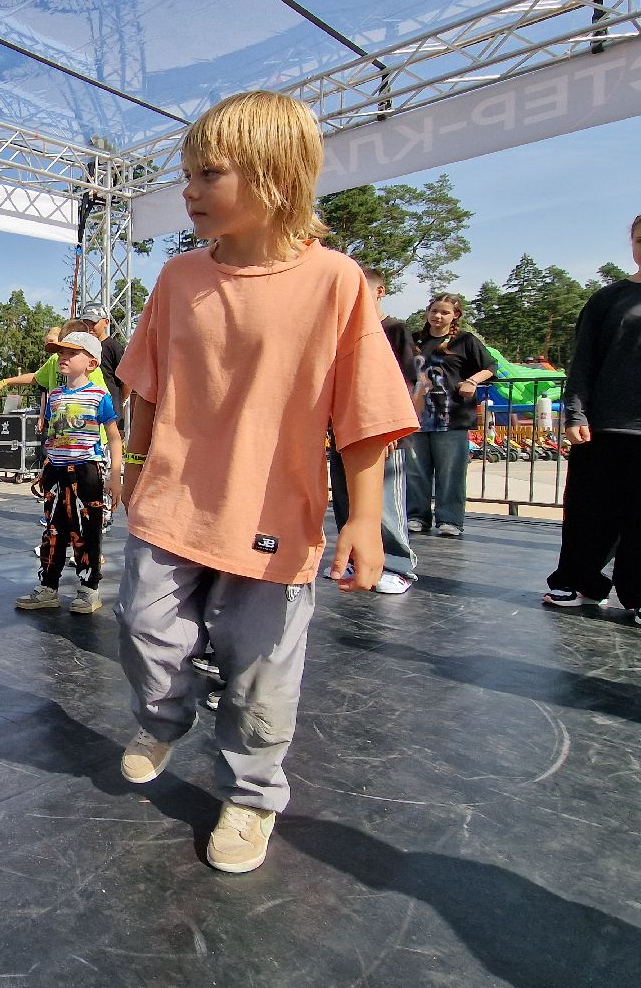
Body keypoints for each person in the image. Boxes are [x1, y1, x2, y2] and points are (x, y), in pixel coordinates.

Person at [114, 90, 418, 874]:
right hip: (172, 498)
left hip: (274, 510)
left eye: (207, 173)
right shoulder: (178, 278)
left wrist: (363, 518)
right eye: (185, 173)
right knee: (145, 627)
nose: (187, 189)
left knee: (260, 670)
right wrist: (137, 459)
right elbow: (145, 381)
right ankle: (165, 716)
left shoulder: (336, 281)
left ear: (278, 175)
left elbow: (365, 409)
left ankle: (249, 798)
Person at [542, 215, 641, 620]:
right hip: (602, 426)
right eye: (640, 238)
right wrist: (575, 412)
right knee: (588, 510)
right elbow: (583, 361)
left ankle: (638, 594)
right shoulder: (607, 299)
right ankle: (580, 582)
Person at [328, 266, 423, 594]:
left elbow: (406, 381)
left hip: (380, 427)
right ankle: (354, 558)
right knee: (345, 495)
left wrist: (390, 428)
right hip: (342, 428)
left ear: (379, 291)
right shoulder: (339, 326)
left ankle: (397, 562)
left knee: (384, 498)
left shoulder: (394, 330)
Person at [15, 331, 122, 615]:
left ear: (91, 363)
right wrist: (45, 467)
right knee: (53, 529)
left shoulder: (100, 396)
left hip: (86, 470)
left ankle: (89, 589)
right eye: (60, 353)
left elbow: (113, 436)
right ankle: (48, 587)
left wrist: (115, 476)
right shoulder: (55, 396)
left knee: (87, 531)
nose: (62, 358)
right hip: (57, 472)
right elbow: (54, 436)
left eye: (70, 353)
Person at [406, 294, 495, 537]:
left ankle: (450, 519)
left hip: (452, 416)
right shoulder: (415, 340)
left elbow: (490, 366)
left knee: (450, 471)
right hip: (418, 416)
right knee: (415, 471)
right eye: (434, 311)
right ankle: (416, 516)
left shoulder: (464, 340)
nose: (438, 316)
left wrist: (472, 380)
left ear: (455, 315)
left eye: (445, 312)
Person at [75, 300, 129, 428]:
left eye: (93, 323)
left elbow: (127, 380)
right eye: (85, 323)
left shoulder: (113, 347)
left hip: (109, 409)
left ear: (106, 322)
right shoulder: (79, 348)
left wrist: (120, 400)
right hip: (85, 408)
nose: (89, 327)